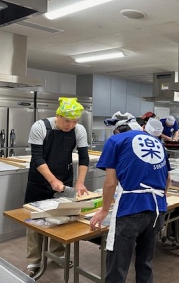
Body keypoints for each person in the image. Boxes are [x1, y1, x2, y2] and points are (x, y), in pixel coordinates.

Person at [90, 112, 170, 283]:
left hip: (131, 209)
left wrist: (104, 210)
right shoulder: (157, 143)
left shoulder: (115, 141)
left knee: (118, 265)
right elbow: (167, 179)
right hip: (158, 210)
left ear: (117, 131)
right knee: (145, 262)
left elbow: (111, 183)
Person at [24, 97, 89, 277]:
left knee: (61, 218)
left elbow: (84, 158)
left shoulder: (79, 130)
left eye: (74, 122)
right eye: (67, 121)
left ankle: (57, 254)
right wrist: (52, 180)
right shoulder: (40, 127)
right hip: (39, 180)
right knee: (34, 221)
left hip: (64, 178)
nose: (70, 125)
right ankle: (34, 261)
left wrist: (80, 182)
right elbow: (37, 158)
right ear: (58, 115)